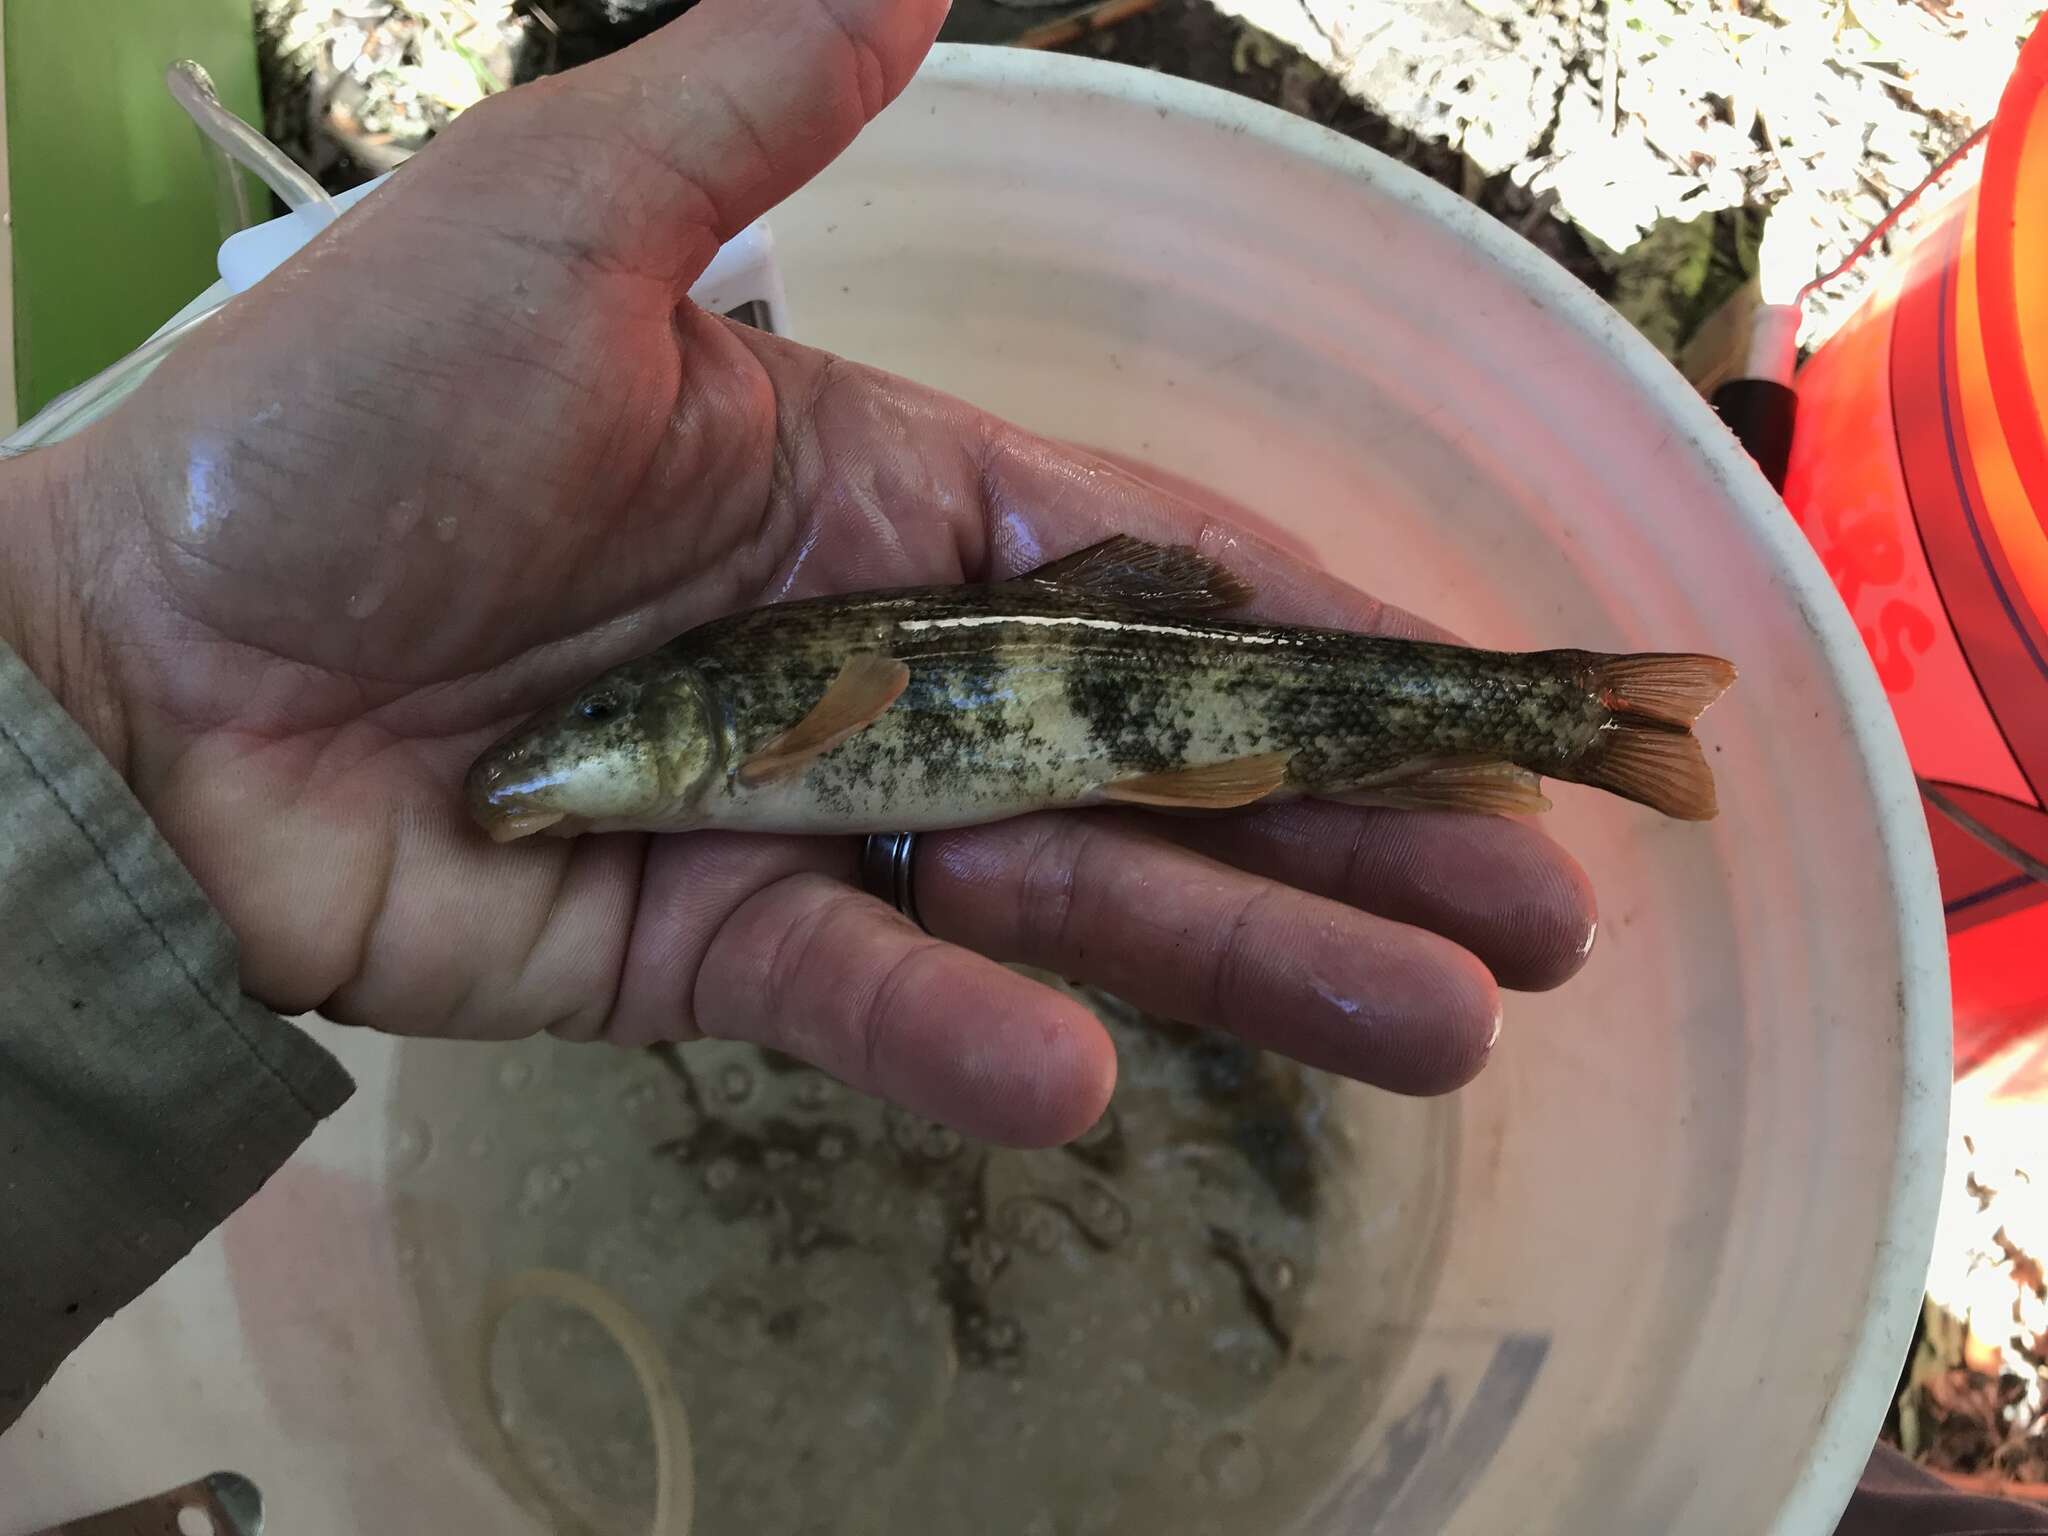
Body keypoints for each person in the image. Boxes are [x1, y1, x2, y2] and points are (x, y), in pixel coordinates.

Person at [0, 0, 2032, 1527]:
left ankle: (1557, 710)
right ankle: (1550, 712)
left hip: (1111, 692)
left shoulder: (740, 725)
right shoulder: (677, 737)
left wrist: (96, 685)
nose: (552, 772)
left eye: (591, 740)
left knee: (1323, 813)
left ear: (683, 737)